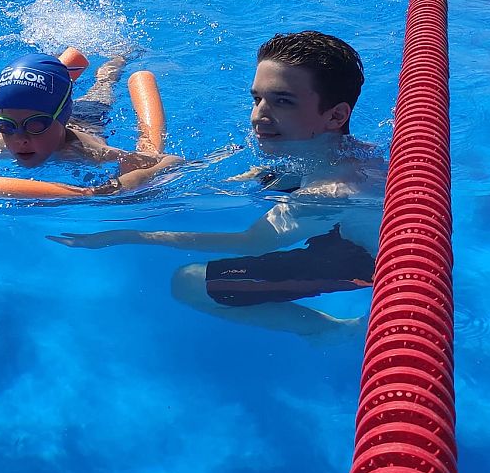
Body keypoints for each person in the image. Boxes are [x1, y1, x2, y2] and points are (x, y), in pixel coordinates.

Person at [50, 32, 385, 339]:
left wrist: (127, 235)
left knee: (188, 282)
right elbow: (235, 180)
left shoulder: (329, 190)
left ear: (336, 116)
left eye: (283, 101)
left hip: (360, 263)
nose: (259, 116)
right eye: (257, 99)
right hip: (341, 230)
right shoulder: (340, 153)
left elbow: (251, 242)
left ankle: (332, 332)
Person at [0, 53, 181, 193]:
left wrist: (135, 173)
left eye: (35, 125)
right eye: (6, 125)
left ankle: (113, 65)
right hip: (54, 107)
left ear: (60, 119)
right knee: (41, 97)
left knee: (103, 90)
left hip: (87, 120)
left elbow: (165, 161)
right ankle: (61, 75)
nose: (20, 139)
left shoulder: (87, 151)